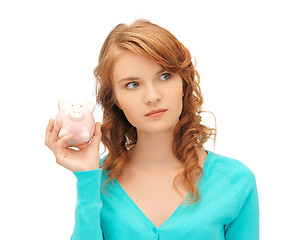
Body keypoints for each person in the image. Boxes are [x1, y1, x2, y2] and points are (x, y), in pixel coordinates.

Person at [45, 19, 259, 240]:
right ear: (116, 99)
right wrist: (87, 176)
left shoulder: (235, 181)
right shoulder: (97, 179)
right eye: (132, 84)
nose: (153, 96)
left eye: (165, 76)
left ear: (184, 84)